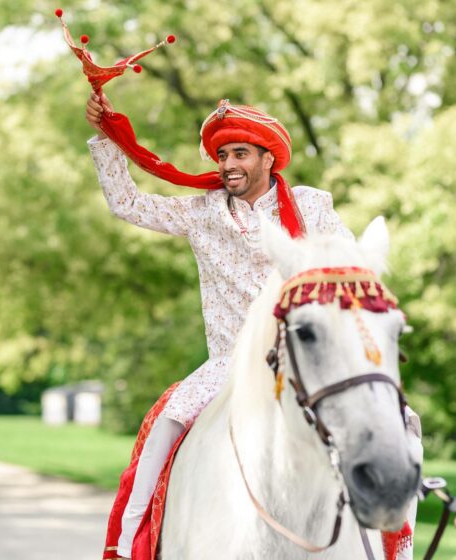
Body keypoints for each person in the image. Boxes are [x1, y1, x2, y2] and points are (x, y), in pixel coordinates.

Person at [85, 93, 417, 560]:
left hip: (303, 352)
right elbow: (126, 204)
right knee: (163, 425)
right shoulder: (201, 213)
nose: (227, 164)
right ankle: (126, 546)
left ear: (268, 157)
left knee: (402, 420)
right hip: (228, 364)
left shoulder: (311, 206)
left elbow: (347, 267)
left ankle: (396, 549)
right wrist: (106, 141)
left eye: (239, 153)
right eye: (222, 155)